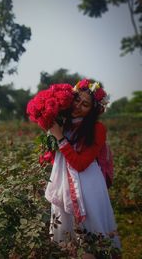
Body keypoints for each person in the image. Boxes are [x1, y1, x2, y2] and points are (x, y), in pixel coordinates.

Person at [45, 79, 121, 257]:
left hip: (88, 186)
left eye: (85, 104)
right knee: (64, 233)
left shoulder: (97, 128)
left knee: (93, 235)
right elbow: (57, 159)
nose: (78, 105)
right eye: (77, 99)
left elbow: (79, 164)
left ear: (93, 111)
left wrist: (59, 138)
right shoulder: (63, 122)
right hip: (63, 183)